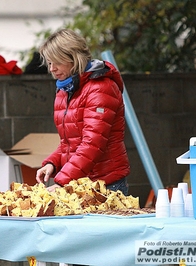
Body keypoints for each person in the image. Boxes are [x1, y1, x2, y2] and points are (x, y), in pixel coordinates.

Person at [36, 28, 130, 195]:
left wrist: (62, 181)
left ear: (74, 58)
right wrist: (52, 163)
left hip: (105, 186)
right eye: (49, 63)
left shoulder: (101, 88)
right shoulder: (66, 90)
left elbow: (92, 144)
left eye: (56, 62)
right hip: (79, 183)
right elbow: (69, 143)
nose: (52, 69)